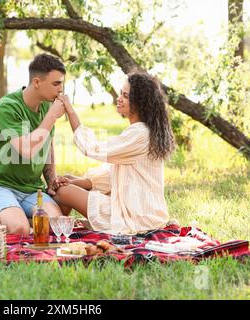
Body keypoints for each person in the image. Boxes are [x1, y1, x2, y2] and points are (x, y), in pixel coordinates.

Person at [52, 72, 176, 235]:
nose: (119, 98)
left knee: (63, 191)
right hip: (140, 211)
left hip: (135, 217)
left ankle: (55, 232)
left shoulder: (140, 133)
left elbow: (93, 148)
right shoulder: (143, 131)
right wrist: (76, 181)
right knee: (67, 182)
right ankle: (56, 229)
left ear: (140, 103)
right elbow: (113, 174)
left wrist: (69, 110)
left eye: (125, 96)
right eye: (120, 93)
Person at [0, 54, 66, 235]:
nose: (61, 89)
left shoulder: (46, 107)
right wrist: (52, 116)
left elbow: (47, 146)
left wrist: (51, 181)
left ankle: (18, 217)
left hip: (31, 189)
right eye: (56, 84)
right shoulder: (8, 107)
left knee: (55, 226)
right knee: (19, 229)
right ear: (36, 82)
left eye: (61, 83)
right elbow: (27, 150)